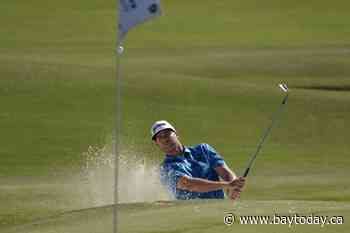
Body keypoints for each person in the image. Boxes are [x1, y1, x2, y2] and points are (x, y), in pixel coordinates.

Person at [151, 120, 246, 200]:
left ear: (176, 134)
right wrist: (228, 185)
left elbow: (225, 173)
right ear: (156, 143)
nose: (165, 139)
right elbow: (188, 184)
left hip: (218, 208)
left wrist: (233, 188)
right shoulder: (165, 169)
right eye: (160, 137)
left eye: (167, 134)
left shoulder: (203, 149)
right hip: (190, 215)